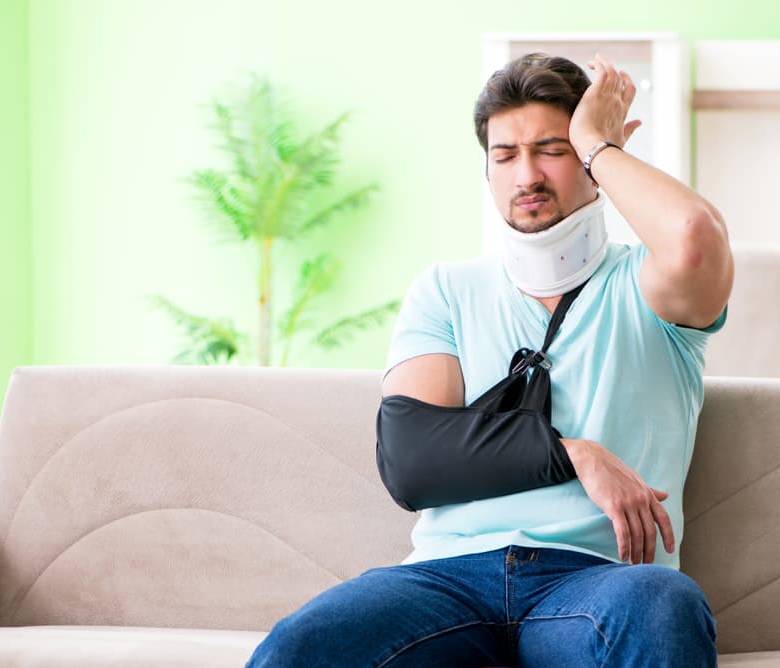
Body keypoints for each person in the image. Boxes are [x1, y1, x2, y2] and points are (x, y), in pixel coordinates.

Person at [248, 51, 733, 668]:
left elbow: (694, 235)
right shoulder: (446, 289)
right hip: (446, 580)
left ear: (592, 163)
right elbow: (411, 459)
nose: (526, 173)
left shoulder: (648, 286)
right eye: (505, 156)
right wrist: (571, 453)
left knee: (665, 603)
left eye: (553, 149)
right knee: (300, 646)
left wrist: (595, 142)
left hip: (596, 583)